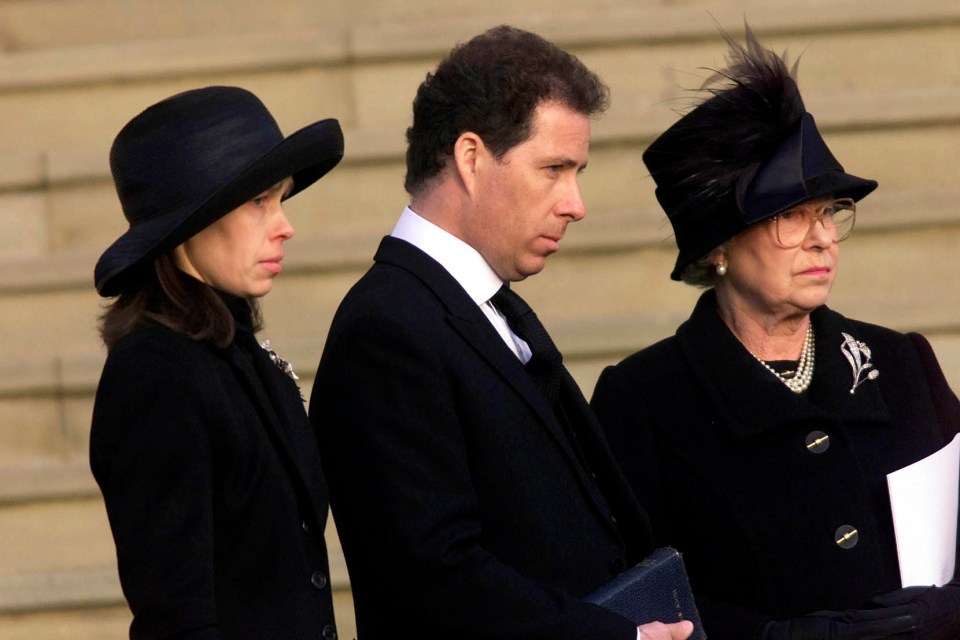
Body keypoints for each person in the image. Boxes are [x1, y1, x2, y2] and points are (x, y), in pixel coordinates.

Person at [310, 25, 694, 640]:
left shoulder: (487, 305)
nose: (576, 203)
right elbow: (431, 577)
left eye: (578, 172)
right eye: (553, 169)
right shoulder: (385, 328)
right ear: (470, 158)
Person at [590, 25, 960, 640]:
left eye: (829, 213)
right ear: (718, 250)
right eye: (790, 215)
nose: (820, 239)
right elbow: (626, 595)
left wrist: (943, 611)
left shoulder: (899, 364)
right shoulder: (644, 400)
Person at [89, 86, 344, 640]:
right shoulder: (155, 373)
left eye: (282, 200)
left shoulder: (237, 352)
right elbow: (176, 616)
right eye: (259, 202)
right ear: (189, 224)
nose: (285, 226)